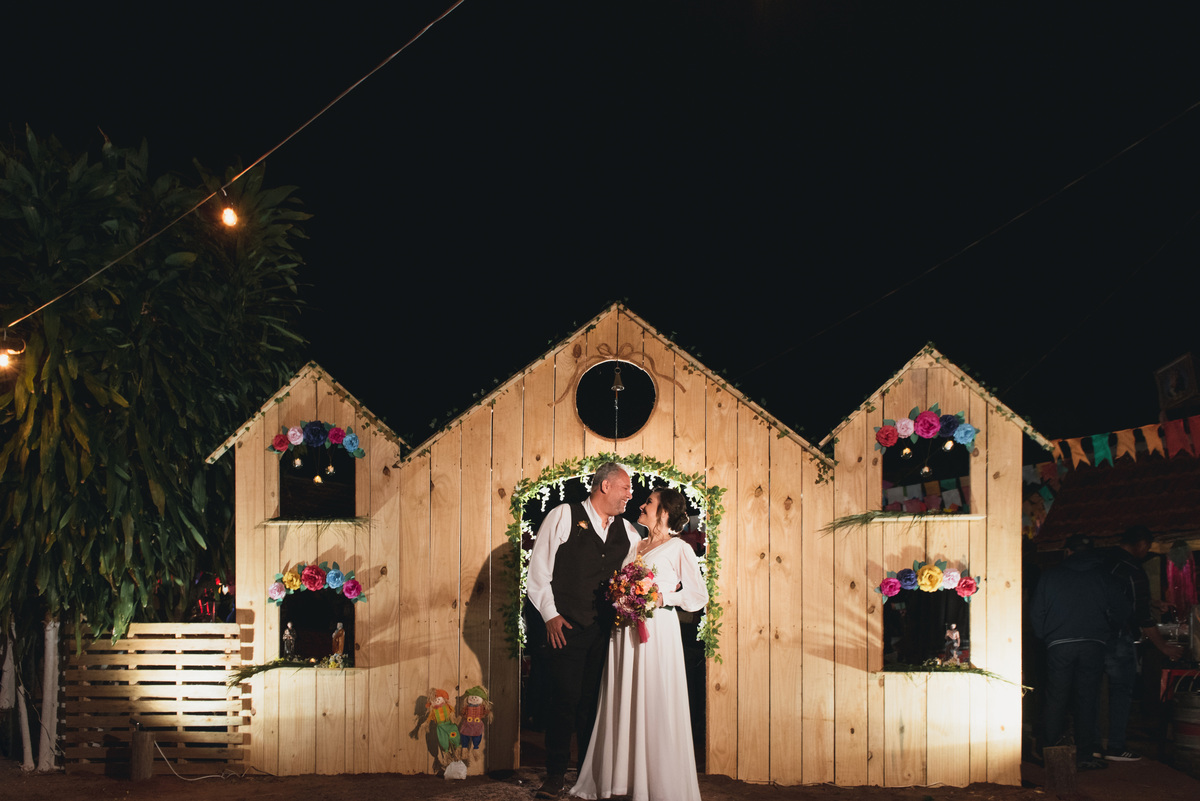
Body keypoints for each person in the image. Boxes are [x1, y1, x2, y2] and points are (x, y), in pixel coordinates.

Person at [571, 486, 707, 801]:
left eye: (649, 502)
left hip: (656, 632)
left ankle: (657, 781)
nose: (642, 505)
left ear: (664, 512)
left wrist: (662, 598)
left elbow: (698, 596)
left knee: (653, 696)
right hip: (624, 632)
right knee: (624, 695)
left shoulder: (678, 548)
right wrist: (619, 593)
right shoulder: (636, 545)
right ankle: (622, 778)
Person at [527, 462, 639, 799]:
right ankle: (555, 775)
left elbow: (632, 579)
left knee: (594, 704)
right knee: (564, 700)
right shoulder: (563, 515)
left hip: (606, 633)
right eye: (625, 488)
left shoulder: (629, 532)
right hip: (566, 627)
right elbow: (538, 571)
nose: (630, 494)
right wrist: (550, 615)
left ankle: (588, 776)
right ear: (605, 486)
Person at [1030, 533, 1130, 771]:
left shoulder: (1050, 576)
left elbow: (1036, 612)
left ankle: (1050, 754)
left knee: (1056, 698)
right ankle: (1085, 755)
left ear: (1068, 552)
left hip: (1059, 644)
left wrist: (1046, 636)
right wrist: (1107, 632)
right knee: (1087, 699)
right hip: (1093, 643)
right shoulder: (1105, 576)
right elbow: (1122, 610)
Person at [1101, 526, 1186, 762]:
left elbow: (1120, 599)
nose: (1146, 551)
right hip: (1119, 636)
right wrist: (1164, 647)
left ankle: (1094, 743)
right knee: (1121, 691)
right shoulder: (1132, 569)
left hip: (1095, 635)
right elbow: (1142, 617)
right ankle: (1116, 746)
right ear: (1140, 544)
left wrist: (1152, 602)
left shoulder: (1104, 562)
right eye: (1147, 547)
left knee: (1096, 691)